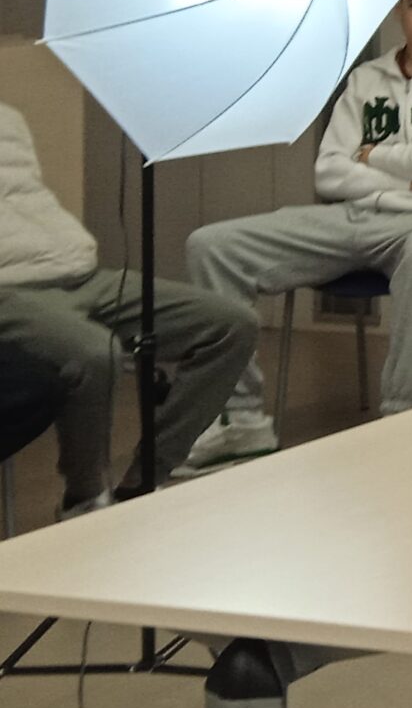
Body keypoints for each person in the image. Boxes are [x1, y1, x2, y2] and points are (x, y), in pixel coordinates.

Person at [184, 0, 412, 464]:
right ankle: (241, 420)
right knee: (212, 245)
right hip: (356, 218)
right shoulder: (366, 80)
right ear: (399, 9)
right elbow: (329, 173)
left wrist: (374, 157)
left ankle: (403, 418)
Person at [0, 102, 257, 512]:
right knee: (94, 352)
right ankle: (85, 499)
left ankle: (145, 479)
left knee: (231, 324)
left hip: (81, 272)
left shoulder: (8, 117)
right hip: (10, 291)